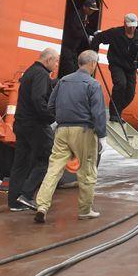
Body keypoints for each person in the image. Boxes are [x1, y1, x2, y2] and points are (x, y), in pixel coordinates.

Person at [33, 50, 107, 223]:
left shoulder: (63, 81)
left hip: (62, 130)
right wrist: (102, 135)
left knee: (53, 169)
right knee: (87, 172)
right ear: (93, 64)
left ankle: (42, 206)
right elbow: (98, 113)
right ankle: (85, 210)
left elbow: (51, 105)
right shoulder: (93, 84)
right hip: (84, 131)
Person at [7, 48, 58, 211]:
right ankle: (27, 194)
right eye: (55, 61)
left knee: (21, 163)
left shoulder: (29, 71)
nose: (56, 65)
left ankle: (14, 202)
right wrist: (50, 117)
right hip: (35, 125)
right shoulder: (41, 74)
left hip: (21, 123)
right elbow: (38, 98)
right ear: (48, 60)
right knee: (46, 159)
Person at [90, 12, 138, 122]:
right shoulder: (115, 33)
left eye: (134, 26)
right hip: (117, 64)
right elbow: (98, 38)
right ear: (125, 24)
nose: (132, 28)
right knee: (121, 83)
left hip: (131, 68)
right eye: (130, 26)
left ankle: (116, 111)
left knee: (130, 94)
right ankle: (114, 114)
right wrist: (94, 54)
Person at [60, 0, 99, 78]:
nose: (92, 12)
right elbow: (75, 31)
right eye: (90, 9)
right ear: (84, 7)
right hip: (67, 46)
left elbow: (83, 28)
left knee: (75, 68)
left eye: (93, 10)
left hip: (74, 49)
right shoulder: (76, 15)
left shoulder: (85, 15)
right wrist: (88, 37)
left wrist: (94, 33)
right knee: (69, 69)